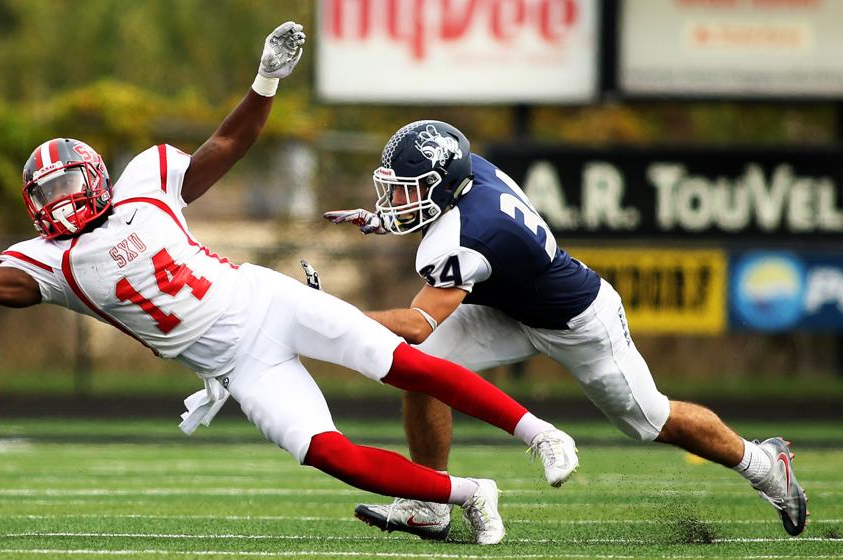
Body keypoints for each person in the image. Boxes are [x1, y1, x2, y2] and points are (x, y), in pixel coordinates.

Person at [0, 25, 580, 546]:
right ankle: (469, 493)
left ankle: (541, 433)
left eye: (69, 182)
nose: (59, 201)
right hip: (240, 367)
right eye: (47, 193)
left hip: (267, 298)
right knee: (330, 453)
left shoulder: (146, 184)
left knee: (404, 361)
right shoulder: (55, 264)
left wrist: (264, 82)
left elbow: (227, 143)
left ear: (98, 177)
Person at [322, 120, 808, 539]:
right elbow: (439, 215)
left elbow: (418, 324)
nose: (396, 198)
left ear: (443, 184)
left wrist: (328, 312)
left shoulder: (463, 238)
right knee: (420, 372)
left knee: (649, 420)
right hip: (507, 306)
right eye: (395, 188)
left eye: (408, 188)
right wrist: (386, 217)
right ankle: (430, 503)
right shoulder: (472, 173)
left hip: (577, 321)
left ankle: (764, 465)